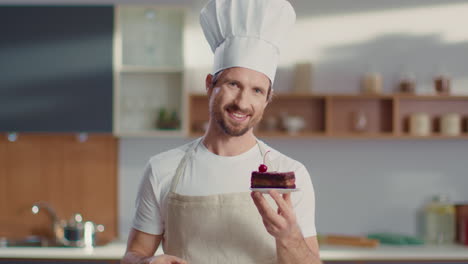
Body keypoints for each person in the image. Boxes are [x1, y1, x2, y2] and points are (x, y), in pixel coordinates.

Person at [122, 0, 321, 263]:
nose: (242, 102)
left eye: (257, 90)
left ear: (268, 99)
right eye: (233, 84)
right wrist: (147, 263)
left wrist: (289, 237)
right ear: (210, 85)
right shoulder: (162, 169)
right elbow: (132, 256)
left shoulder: (290, 175)